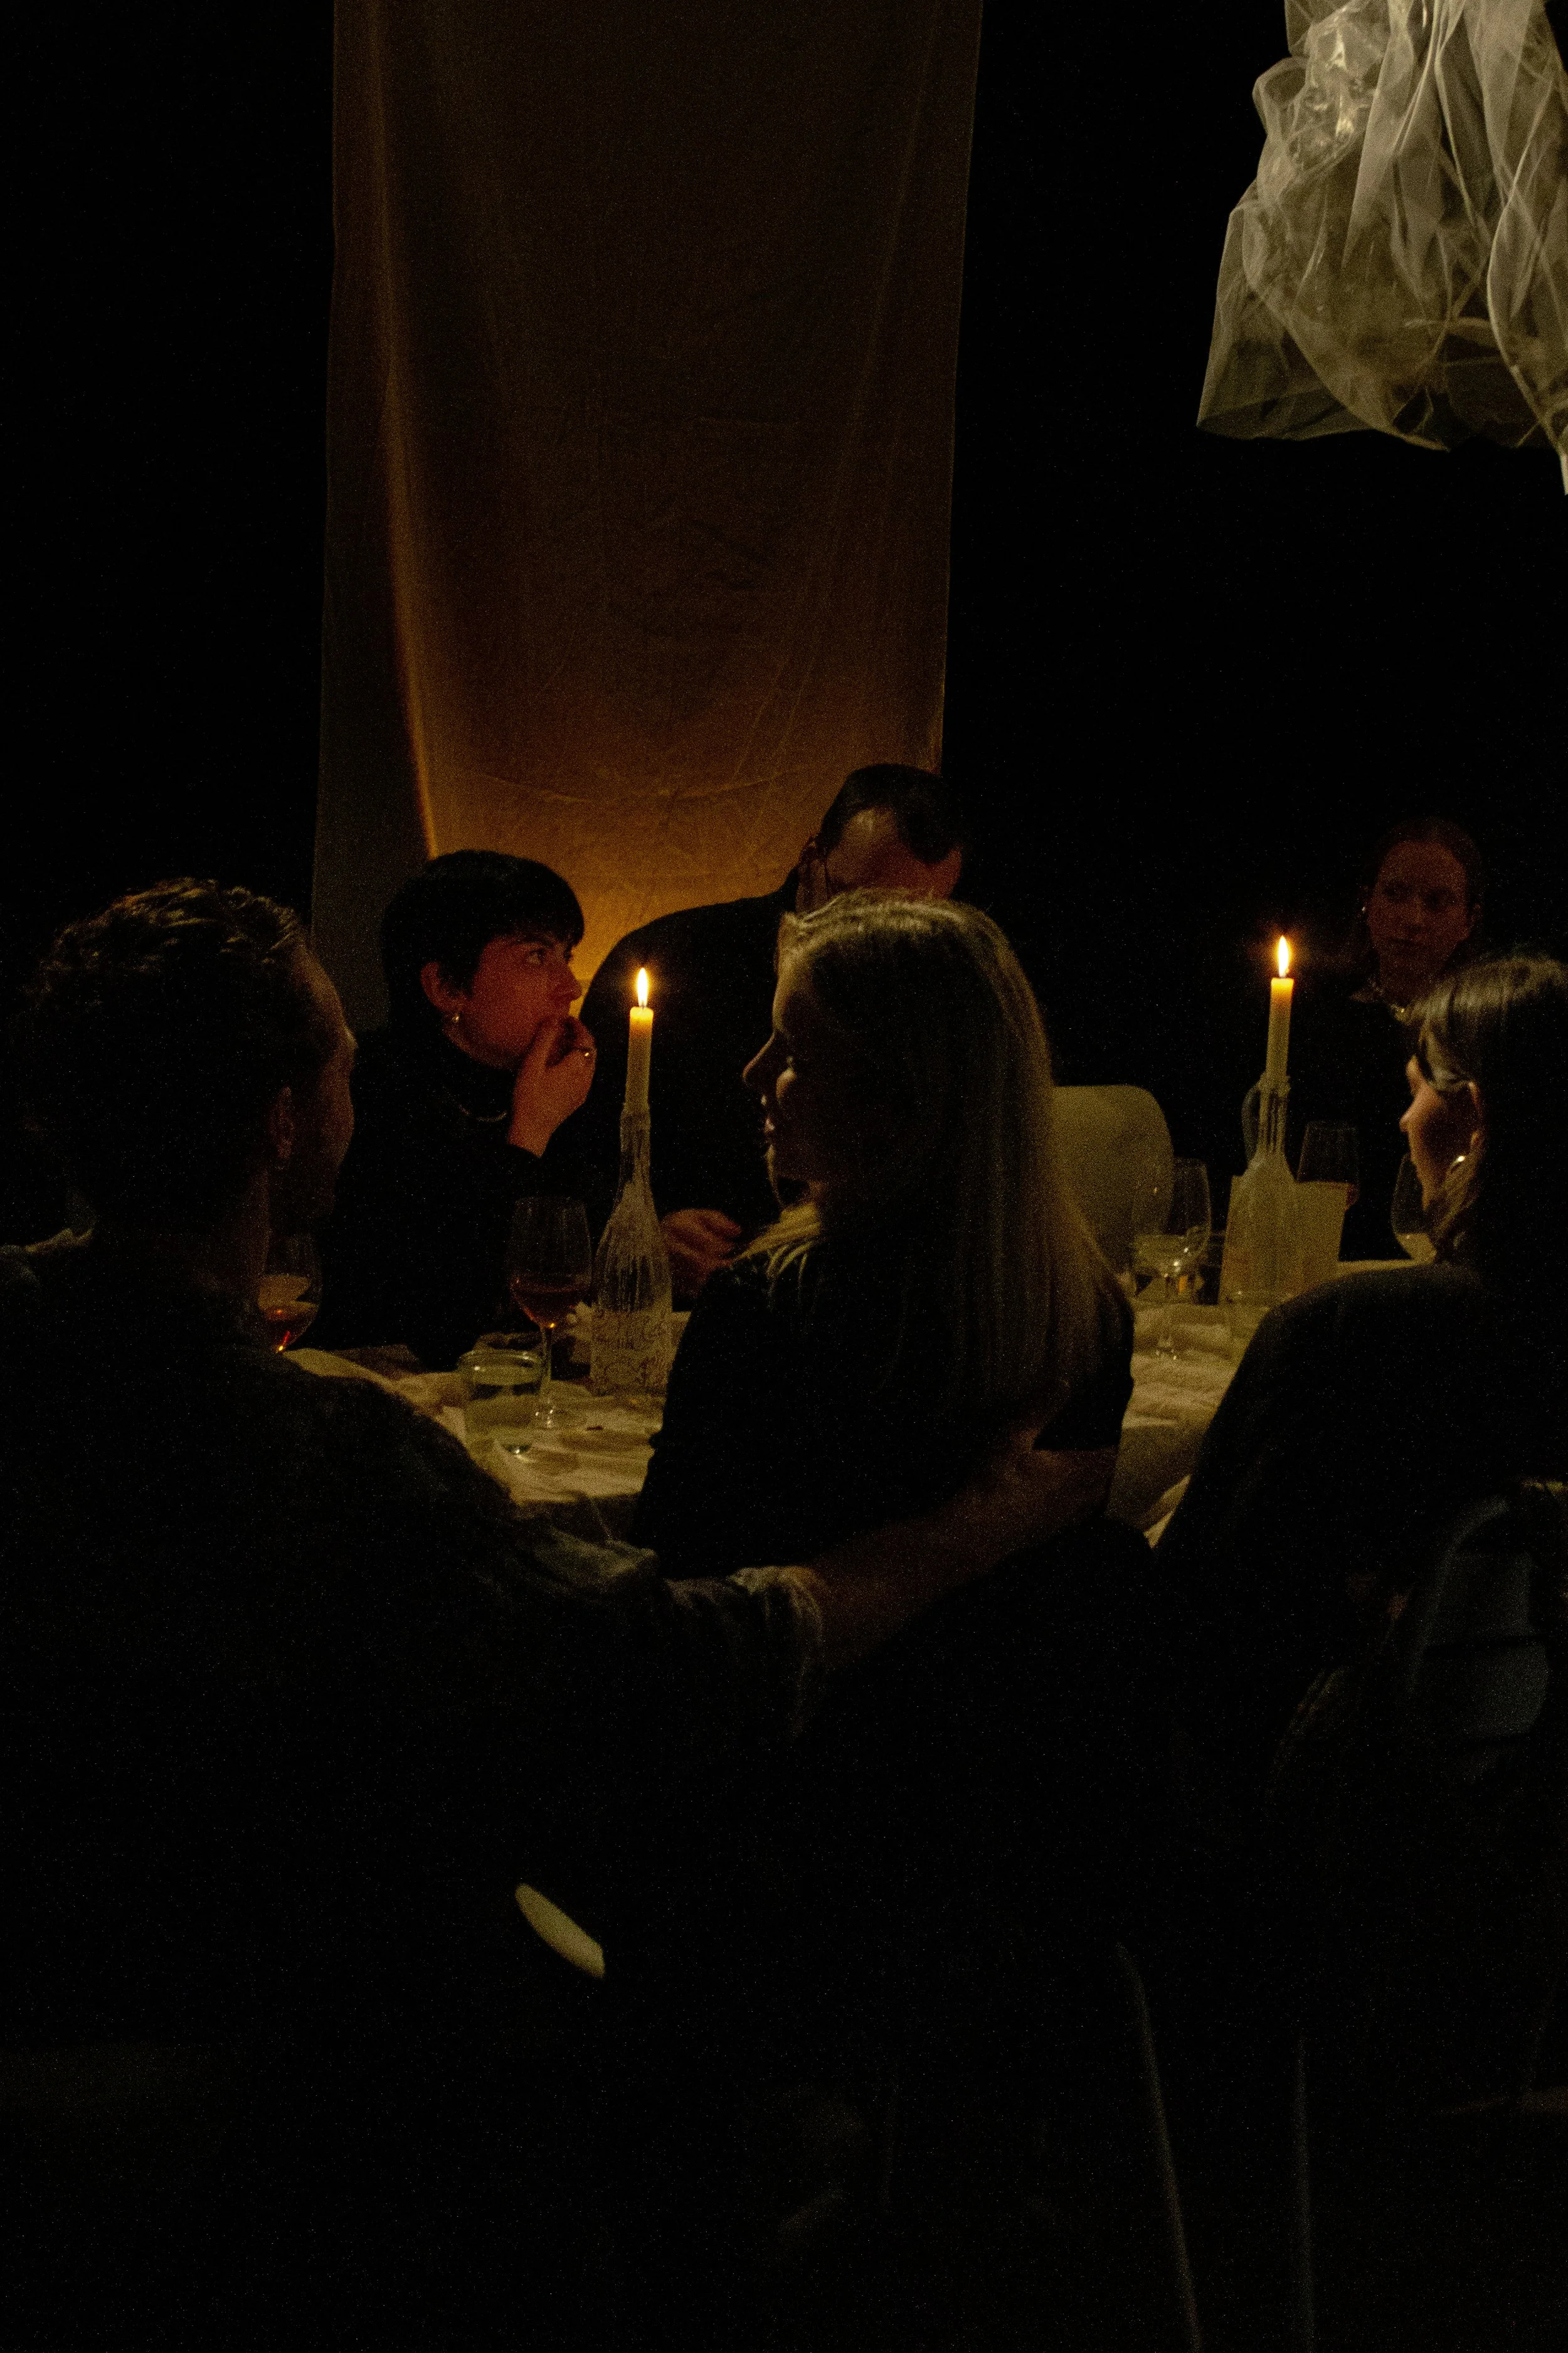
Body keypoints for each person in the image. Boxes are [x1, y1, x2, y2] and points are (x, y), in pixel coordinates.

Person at [0, 879, 1106, 2340]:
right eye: (341, 1053)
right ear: (280, 1121)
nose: (361, 1077)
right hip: (272, 2033)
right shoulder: (330, 1459)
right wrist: (972, 1530)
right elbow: (667, 1661)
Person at [1159, 952, 1568, 1835]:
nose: (1402, 1113)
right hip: (1522, 1836)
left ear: (1474, 1119)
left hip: (1326, 1823)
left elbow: (1196, 1627)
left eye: (1418, 1087)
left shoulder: (1353, 1335)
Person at [576, 763, 967, 1297]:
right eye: (856, 902)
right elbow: (570, 1159)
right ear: (811, 858)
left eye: (911, 921)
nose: (875, 939)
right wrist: (641, 1235)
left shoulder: (935, 999)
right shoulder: (669, 960)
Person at [312, 850, 598, 1366]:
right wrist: (529, 1133)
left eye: (566, 955)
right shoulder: (369, 1096)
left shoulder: (553, 1084)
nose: (570, 987)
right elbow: (440, 1323)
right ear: (446, 986)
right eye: (537, 956)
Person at [1289, 816, 1485, 1257]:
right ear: (1367, 903)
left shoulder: (1480, 1027)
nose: (1413, 919)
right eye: (1395, 894)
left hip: (1447, 1256)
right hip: (1327, 1250)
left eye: (1437, 903)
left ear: (1468, 921)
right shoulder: (1313, 1016)